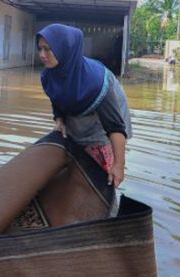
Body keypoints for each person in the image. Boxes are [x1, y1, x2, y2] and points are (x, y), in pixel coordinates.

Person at [36, 23, 132, 190]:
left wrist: (119, 166)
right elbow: (56, 99)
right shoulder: (48, 76)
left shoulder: (97, 84)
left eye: (48, 49)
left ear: (64, 49)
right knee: (71, 162)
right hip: (78, 108)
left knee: (100, 170)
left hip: (104, 121)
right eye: (40, 49)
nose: (42, 55)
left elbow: (115, 127)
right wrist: (59, 119)